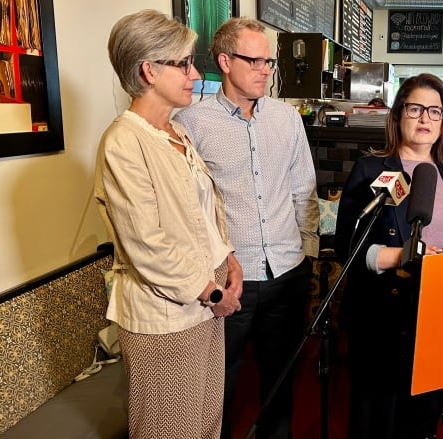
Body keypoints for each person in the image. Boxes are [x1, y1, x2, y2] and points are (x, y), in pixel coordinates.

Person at [94, 9, 243, 439]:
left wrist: (228, 258)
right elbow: (148, 245)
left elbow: (205, 211)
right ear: (148, 70)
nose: (195, 74)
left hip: (207, 298)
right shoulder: (124, 141)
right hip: (167, 313)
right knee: (169, 429)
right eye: (184, 63)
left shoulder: (179, 132)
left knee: (205, 420)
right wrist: (212, 292)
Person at [174, 17, 319, 439]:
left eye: (269, 62)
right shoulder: (192, 124)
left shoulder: (287, 118)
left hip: (288, 271)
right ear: (224, 61)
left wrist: (306, 254)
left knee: (280, 379)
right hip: (229, 278)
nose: (265, 70)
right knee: (219, 383)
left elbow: (303, 188)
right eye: (254, 60)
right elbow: (190, 209)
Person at [335, 73, 443, 439]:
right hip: (381, 309)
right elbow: (346, 244)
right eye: (416, 108)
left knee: (423, 412)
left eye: (435, 111)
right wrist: (400, 256)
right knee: (376, 415)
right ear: (399, 114)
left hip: (438, 310)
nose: (424, 119)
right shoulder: (372, 169)